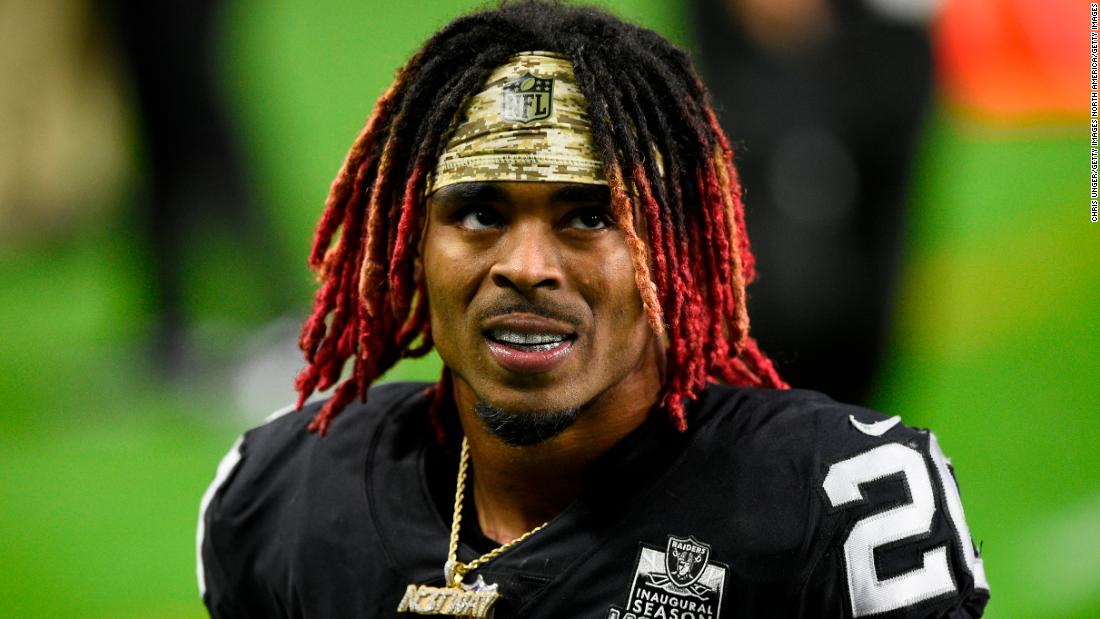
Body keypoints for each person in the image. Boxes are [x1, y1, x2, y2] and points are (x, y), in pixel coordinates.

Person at [197, 2, 990, 617]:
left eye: (589, 216)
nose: (527, 267)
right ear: (410, 246)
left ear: (675, 250)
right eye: (480, 212)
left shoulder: (836, 505)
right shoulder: (281, 494)